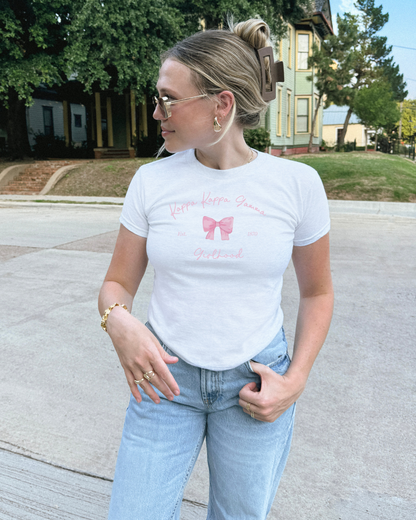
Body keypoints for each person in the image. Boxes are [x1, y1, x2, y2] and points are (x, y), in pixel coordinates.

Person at [99, 18, 333, 520]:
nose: (157, 111)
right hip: (165, 381)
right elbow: (117, 283)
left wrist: (296, 380)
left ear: (220, 105)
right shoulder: (151, 181)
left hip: (254, 385)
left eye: (168, 99)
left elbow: (317, 293)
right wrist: (118, 320)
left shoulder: (297, 184)